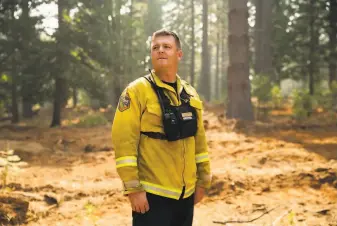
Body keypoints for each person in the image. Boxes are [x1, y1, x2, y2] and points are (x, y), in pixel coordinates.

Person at [111, 29, 211, 226]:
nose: (160, 51)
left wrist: (203, 181)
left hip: (186, 194)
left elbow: (199, 142)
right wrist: (134, 189)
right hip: (152, 195)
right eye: (155, 47)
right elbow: (124, 143)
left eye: (167, 47)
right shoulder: (136, 91)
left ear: (179, 54)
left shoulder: (190, 94)